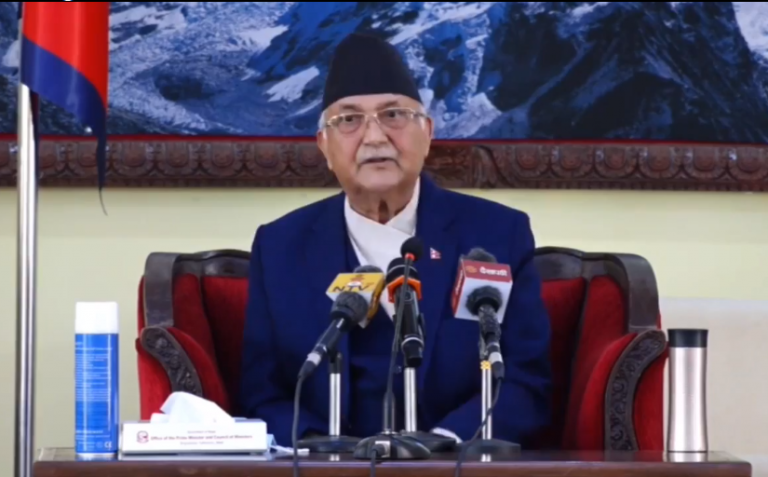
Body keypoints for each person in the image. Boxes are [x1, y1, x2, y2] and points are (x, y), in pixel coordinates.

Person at [239, 32, 552, 448]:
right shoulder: (280, 247)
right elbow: (261, 393)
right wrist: (324, 453)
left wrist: (445, 444)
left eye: (393, 115)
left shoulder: (497, 233)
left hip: (456, 466)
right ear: (324, 147)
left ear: (427, 133)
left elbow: (526, 380)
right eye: (348, 120)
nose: (374, 137)